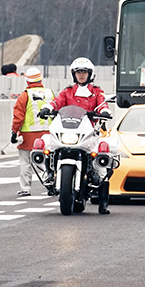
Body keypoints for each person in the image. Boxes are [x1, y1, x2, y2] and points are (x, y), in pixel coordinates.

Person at [40, 57, 112, 214]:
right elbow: (56, 102)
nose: (81, 75)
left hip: (88, 132)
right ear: (74, 74)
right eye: (78, 72)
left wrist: (104, 112)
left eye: (84, 72)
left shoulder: (96, 92)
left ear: (89, 74)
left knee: (102, 159)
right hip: (68, 130)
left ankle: (103, 202)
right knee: (47, 146)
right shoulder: (67, 91)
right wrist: (47, 108)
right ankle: (49, 174)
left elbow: (102, 104)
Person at [10, 67, 55, 197]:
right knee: (48, 162)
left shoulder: (25, 95)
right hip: (48, 135)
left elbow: (18, 116)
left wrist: (14, 132)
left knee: (26, 163)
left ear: (27, 81)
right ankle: (51, 186)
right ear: (41, 79)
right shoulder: (50, 93)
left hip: (28, 135)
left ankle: (26, 188)